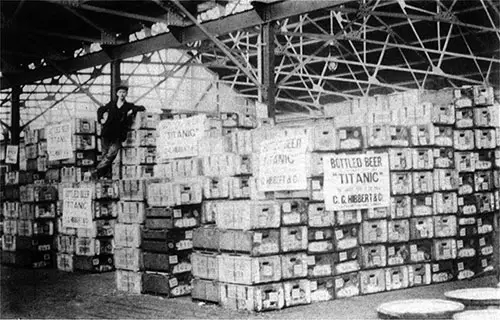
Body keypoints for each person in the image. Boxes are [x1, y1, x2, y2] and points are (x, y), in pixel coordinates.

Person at [93, 84, 145, 178]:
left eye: (124, 92)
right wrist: (100, 119)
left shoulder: (128, 106)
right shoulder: (111, 104)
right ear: (117, 93)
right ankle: (106, 177)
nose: (122, 94)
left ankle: (97, 170)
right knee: (105, 155)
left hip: (118, 135)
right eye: (120, 92)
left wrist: (131, 111)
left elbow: (141, 107)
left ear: (126, 94)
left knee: (111, 155)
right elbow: (100, 109)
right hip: (107, 133)